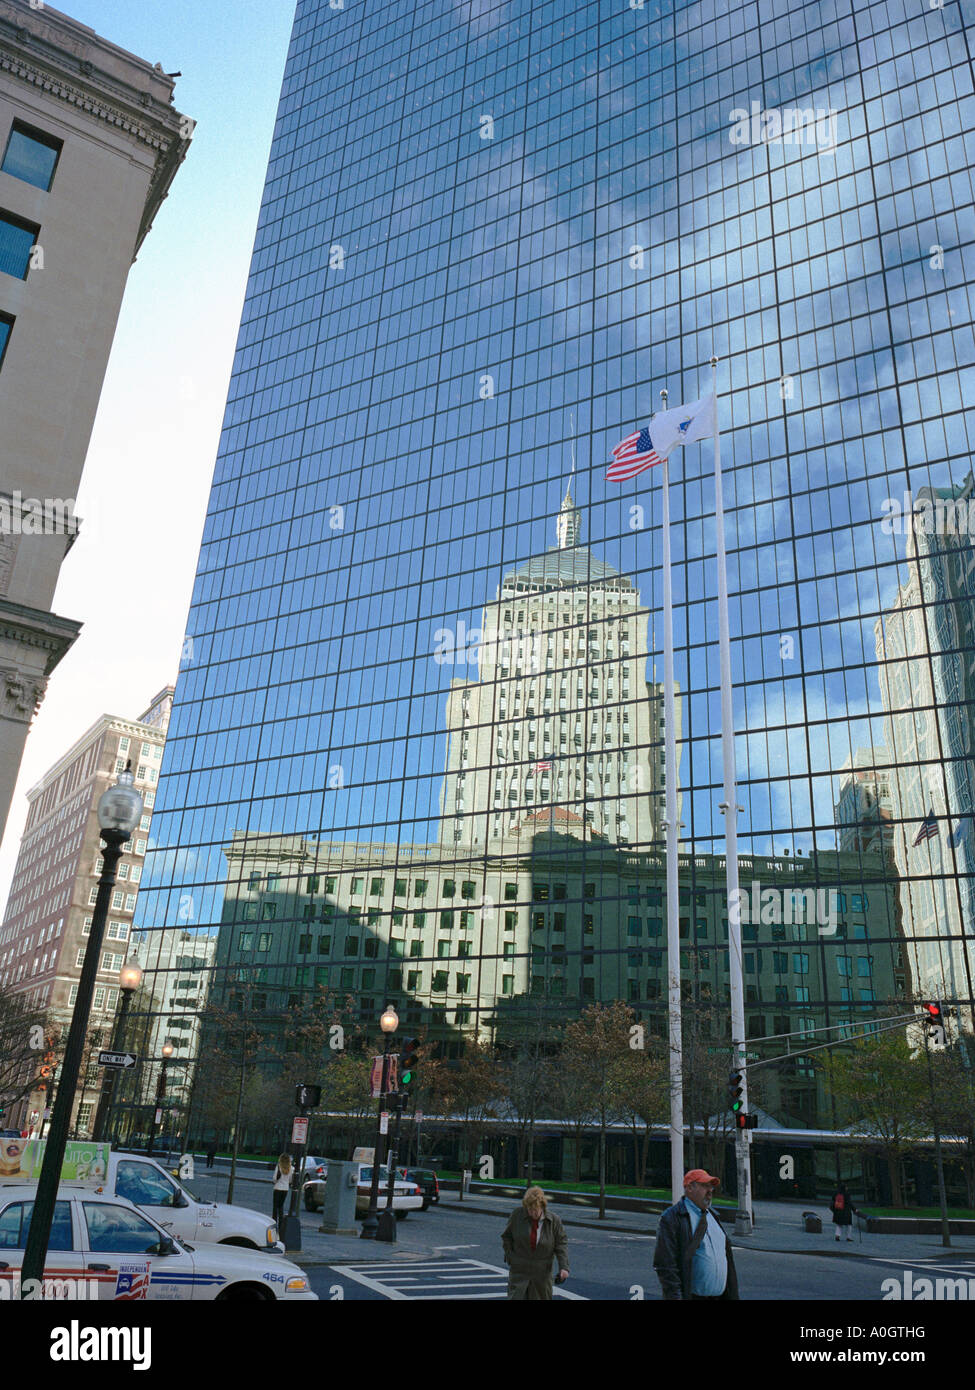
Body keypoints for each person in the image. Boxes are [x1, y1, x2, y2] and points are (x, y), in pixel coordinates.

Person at [653, 1169, 740, 1300]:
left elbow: (728, 1262)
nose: (710, 1190)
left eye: (711, 1186)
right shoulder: (672, 1217)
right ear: (689, 1188)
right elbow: (665, 1265)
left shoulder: (713, 1218)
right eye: (705, 1185)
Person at [501, 1186, 569, 1300]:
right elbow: (507, 1237)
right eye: (529, 1209)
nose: (532, 1213)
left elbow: (561, 1244)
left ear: (542, 1206)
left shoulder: (554, 1221)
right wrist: (511, 1257)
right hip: (519, 1271)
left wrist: (564, 1267)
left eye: (535, 1209)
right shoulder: (517, 1215)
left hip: (542, 1275)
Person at [272, 1153, 292, 1226]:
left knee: (275, 1207)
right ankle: (281, 1223)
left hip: (277, 1187)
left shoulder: (279, 1167)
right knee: (281, 1207)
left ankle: (274, 1222)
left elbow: (274, 1179)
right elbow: (290, 1180)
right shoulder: (291, 1168)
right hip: (285, 1189)